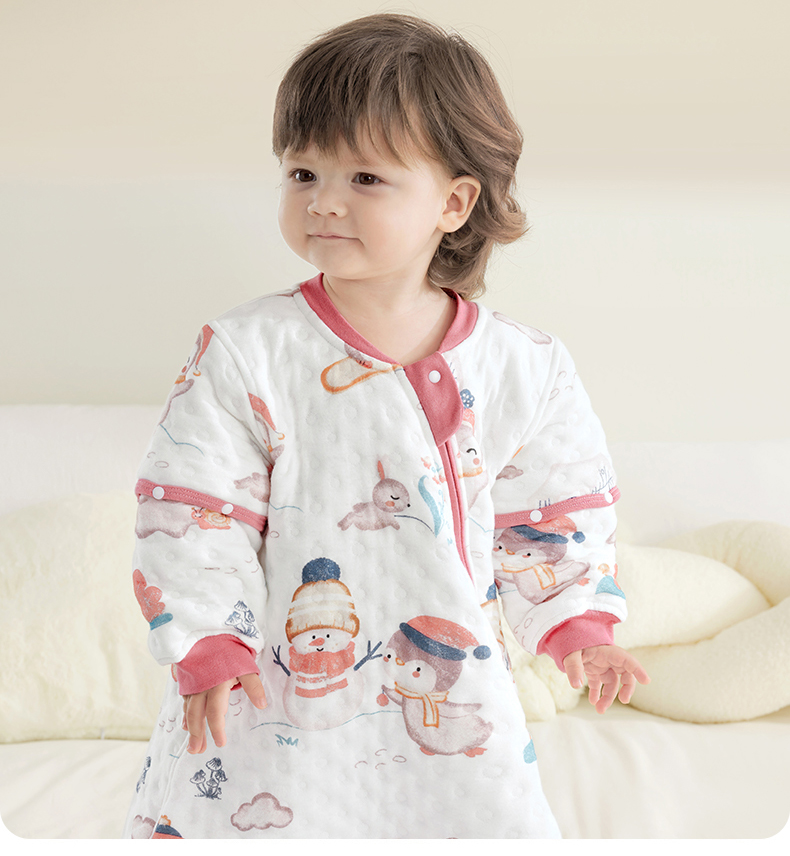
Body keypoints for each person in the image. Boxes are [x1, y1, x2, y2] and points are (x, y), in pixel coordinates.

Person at [124, 13, 649, 840]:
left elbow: (553, 514)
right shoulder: (248, 352)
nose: (323, 201)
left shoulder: (526, 367)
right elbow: (195, 510)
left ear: (454, 202)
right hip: (271, 704)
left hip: (452, 698)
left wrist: (579, 624)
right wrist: (208, 642)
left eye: (365, 177)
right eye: (303, 172)